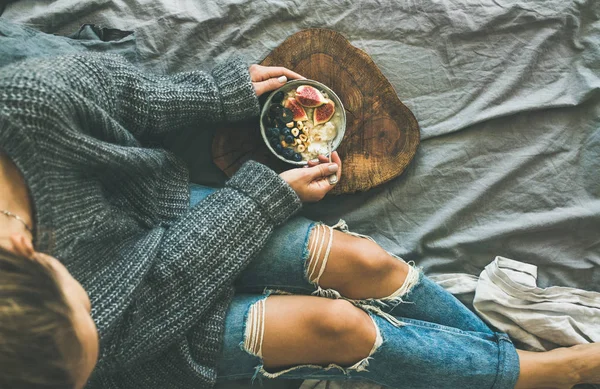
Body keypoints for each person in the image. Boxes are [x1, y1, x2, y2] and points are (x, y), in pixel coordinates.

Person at [1, 53, 599, 389]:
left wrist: (215, 91)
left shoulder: (31, 104)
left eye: (81, 308)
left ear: (21, 248)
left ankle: (493, 359)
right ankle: (529, 373)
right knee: (337, 326)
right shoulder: (39, 358)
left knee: (364, 260)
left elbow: (128, 96)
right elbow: (153, 301)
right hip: (149, 350)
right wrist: (261, 202)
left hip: (152, 215)